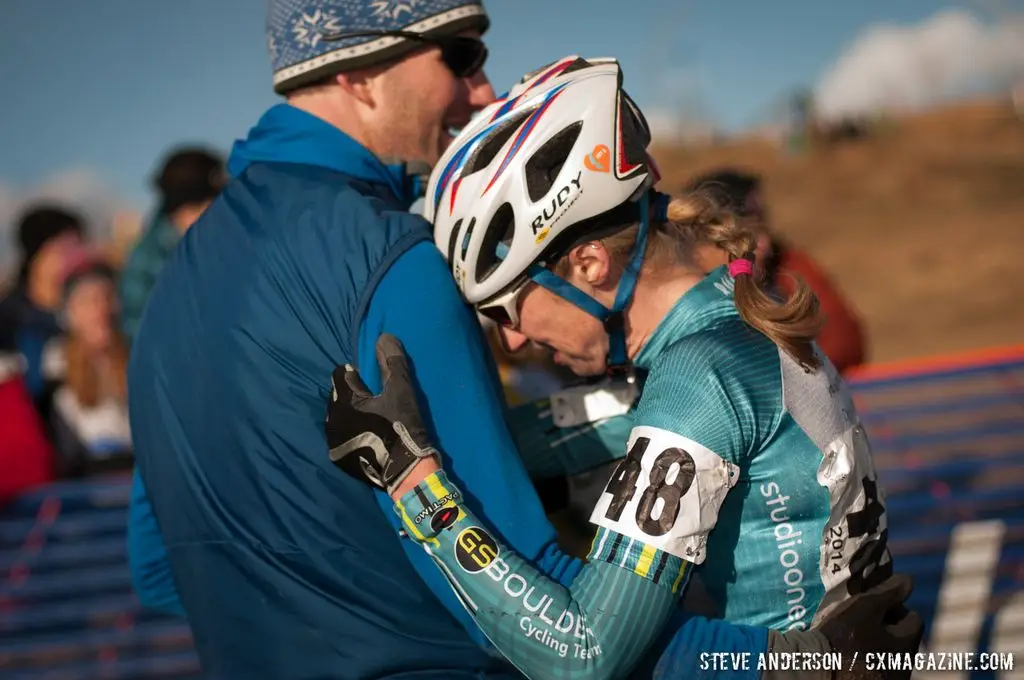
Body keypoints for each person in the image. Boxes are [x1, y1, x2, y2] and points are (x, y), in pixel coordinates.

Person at [325, 56, 923, 679]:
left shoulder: (698, 378)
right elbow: (526, 446)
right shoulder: (740, 329)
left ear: (587, 266)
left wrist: (411, 485)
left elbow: (583, 657)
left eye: (505, 308)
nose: (513, 341)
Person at [685, 169, 867, 374]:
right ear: (703, 245)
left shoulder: (786, 267)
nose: (765, 245)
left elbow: (843, 339)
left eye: (763, 228)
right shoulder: (686, 302)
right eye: (747, 234)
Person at [119, 147, 225, 343]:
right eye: (211, 203)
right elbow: (140, 333)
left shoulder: (229, 245)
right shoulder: (148, 263)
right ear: (184, 208)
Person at [49, 250, 133, 476]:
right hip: (86, 487)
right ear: (69, 314)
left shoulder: (134, 362)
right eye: (87, 301)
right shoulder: (55, 371)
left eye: (106, 298)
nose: (100, 309)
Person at [0, 205, 85, 422]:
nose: (76, 258)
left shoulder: (86, 313)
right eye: (65, 249)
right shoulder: (10, 323)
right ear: (38, 253)